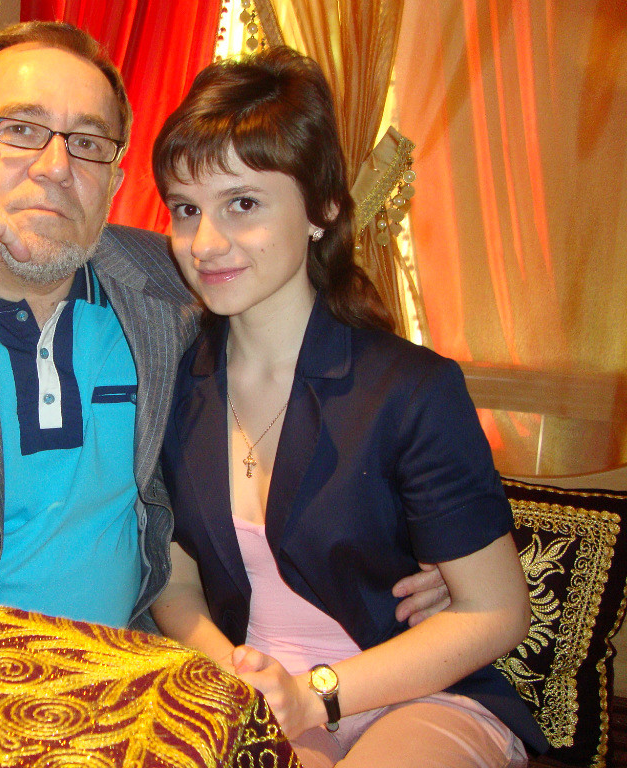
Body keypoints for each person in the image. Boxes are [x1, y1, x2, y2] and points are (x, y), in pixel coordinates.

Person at [0, 22, 446, 633]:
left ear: (115, 180)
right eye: (20, 129)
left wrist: (413, 537)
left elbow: (315, 353)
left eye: (87, 143)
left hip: (125, 674)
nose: (56, 168)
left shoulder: (176, 281)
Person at [150, 47, 548, 766]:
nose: (204, 243)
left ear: (322, 207)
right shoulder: (176, 381)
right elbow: (173, 576)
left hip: (421, 694)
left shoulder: (410, 390)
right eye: (186, 210)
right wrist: (236, 673)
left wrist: (315, 694)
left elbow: (496, 610)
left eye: (243, 203)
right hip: (257, 697)